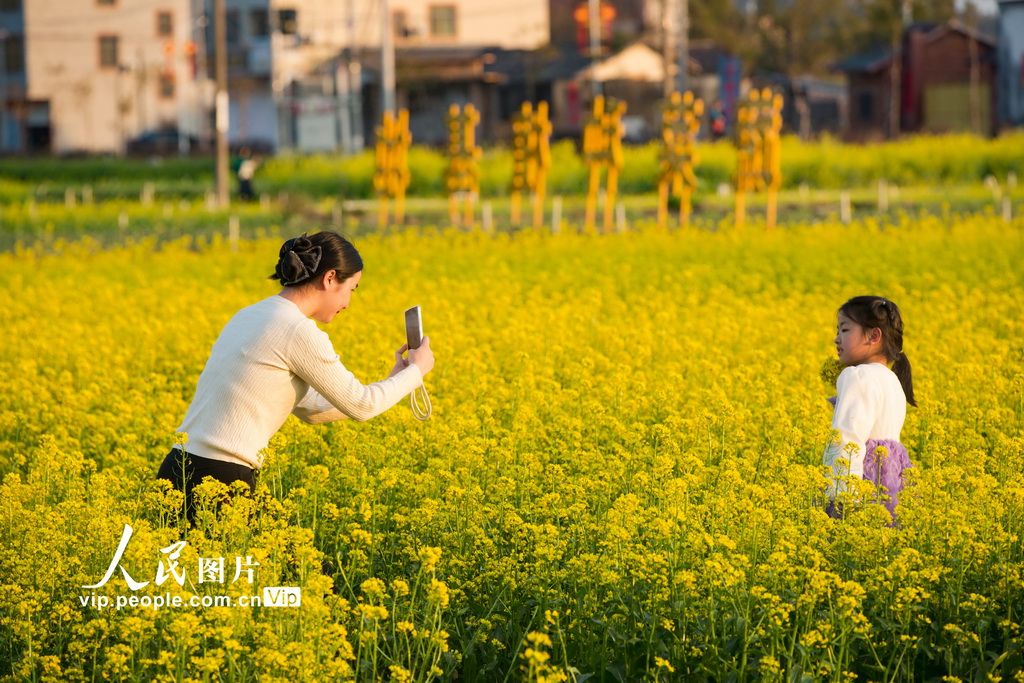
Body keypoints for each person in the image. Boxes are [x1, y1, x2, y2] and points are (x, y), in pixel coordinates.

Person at [156, 231, 435, 526]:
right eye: (352, 289)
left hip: (177, 469)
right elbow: (362, 406)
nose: (348, 303)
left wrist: (393, 382)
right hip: (220, 479)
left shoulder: (248, 315)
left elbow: (310, 409)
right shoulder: (296, 329)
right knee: (295, 556)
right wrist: (416, 371)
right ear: (330, 278)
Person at [823, 295, 916, 524]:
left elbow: (847, 439)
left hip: (860, 486)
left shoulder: (857, 376)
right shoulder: (893, 380)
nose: (836, 339)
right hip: (890, 485)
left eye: (844, 330)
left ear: (874, 336)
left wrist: (842, 496)